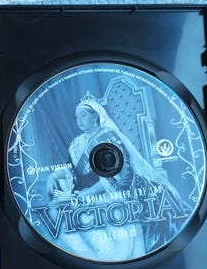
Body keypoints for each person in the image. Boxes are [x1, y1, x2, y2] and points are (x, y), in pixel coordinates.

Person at [46, 97, 189, 260]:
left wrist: (89, 193)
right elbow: (71, 168)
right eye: (77, 116)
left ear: (96, 115)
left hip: (110, 188)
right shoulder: (76, 142)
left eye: (83, 115)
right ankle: (80, 258)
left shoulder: (108, 136)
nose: (79, 119)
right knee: (55, 211)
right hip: (83, 192)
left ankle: (109, 257)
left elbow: (122, 171)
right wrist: (54, 175)